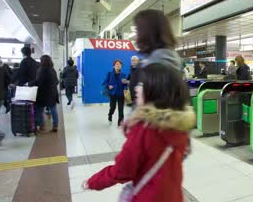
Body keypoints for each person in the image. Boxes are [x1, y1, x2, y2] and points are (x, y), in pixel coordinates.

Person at [83, 63, 195, 202]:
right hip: (172, 195)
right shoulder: (180, 125)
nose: (136, 88)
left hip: (148, 196)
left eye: (142, 84)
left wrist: (93, 182)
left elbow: (122, 170)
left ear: (154, 89)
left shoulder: (145, 129)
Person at [29, 55, 60, 132]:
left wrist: (29, 84)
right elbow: (57, 81)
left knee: (39, 110)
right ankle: (55, 126)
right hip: (52, 93)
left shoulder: (41, 70)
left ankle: (42, 126)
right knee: (53, 110)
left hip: (42, 93)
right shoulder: (52, 70)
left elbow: (38, 81)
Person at [102, 59, 127, 126]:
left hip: (121, 94)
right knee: (113, 107)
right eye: (117, 64)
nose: (118, 65)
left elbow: (125, 85)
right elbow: (105, 82)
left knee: (121, 109)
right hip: (112, 93)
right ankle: (110, 115)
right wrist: (108, 86)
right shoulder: (109, 74)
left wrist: (125, 88)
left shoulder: (123, 75)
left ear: (121, 66)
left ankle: (120, 123)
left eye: (120, 64)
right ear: (114, 66)